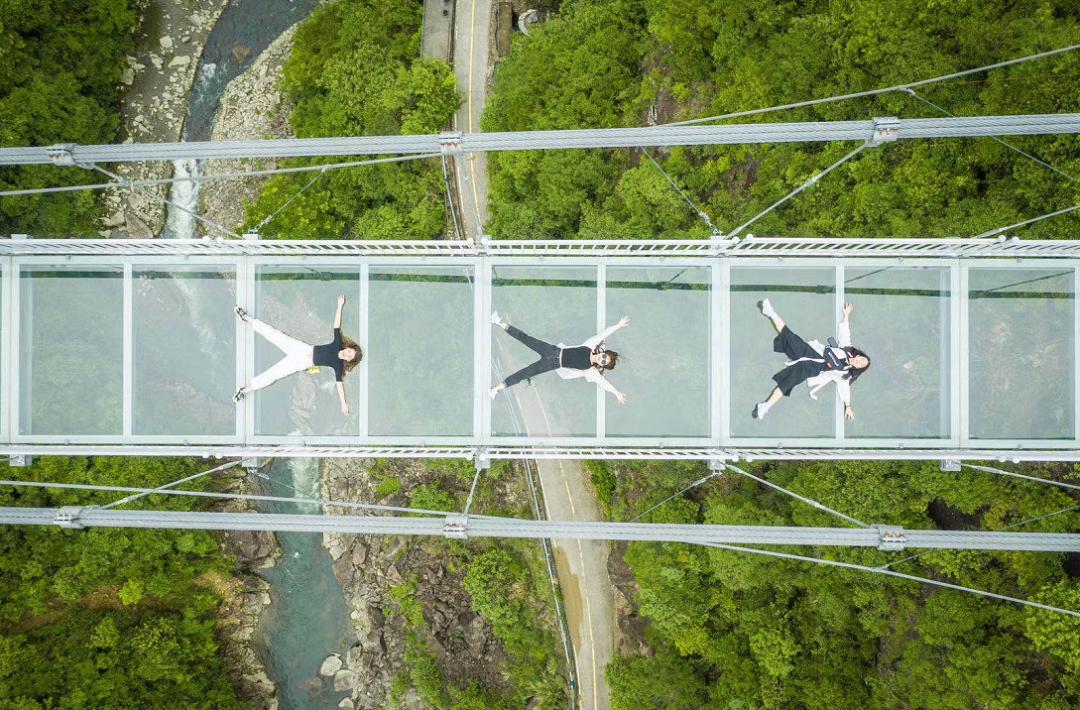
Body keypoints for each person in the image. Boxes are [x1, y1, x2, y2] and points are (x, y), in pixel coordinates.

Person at [233, 294, 362, 416]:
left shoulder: (338, 366)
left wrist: (343, 403)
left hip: (302, 363)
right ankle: (246, 318)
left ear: (349, 361)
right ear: (349, 347)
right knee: (274, 334)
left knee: (273, 375)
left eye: (350, 357)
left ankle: (244, 391)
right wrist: (340, 306)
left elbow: (339, 385)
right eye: (350, 352)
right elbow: (336, 326)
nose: (348, 354)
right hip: (302, 349)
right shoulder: (338, 343)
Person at [752, 299, 870, 421]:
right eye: (861, 359)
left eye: (861, 364)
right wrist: (846, 315)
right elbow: (845, 333)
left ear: (857, 368)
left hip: (811, 369)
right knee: (788, 335)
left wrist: (848, 406)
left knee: (787, 384)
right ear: (858, 355)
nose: (859, 362)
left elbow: (845, 388)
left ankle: (765, 407)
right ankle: (769, 311)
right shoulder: (847, 349)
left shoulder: (845, 373)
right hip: (810, 352)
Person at [489, 311, 630, 403]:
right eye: (605, 356)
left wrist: (616, 393)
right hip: (553, 351)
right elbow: (603, 335)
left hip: (553, 364)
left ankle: (496, 389)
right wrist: (618, 325)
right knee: (526, 338)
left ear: (602, 365)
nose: (603, 359)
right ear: (603, 352)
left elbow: (603, 383)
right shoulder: (590, 346)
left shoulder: (590, 371)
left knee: (525, 373)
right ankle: (498, 321)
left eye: (604, 362)